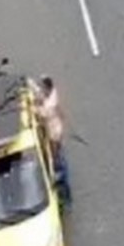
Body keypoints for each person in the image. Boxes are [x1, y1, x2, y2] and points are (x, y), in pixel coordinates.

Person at [36, 76, 72, 204]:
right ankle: (61, 183)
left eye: (42, 87)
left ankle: (63, 189)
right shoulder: (51, 94)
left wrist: (34, 106)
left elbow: (42, 112)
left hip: (54, 134)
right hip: (55, 132)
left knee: (58, 160)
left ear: (47, 88)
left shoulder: (49, 104)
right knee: (57, 157)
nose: (41, 90)